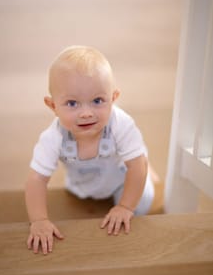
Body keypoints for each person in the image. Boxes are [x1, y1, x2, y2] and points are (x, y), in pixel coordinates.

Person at [25, 45, 154, 255]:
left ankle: (142, 161)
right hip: (82, 184)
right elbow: (36, 180)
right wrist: (39, 220)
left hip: (122, 178)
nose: (86, 113)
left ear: (113, 98)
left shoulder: (120, 124)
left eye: (97, 101)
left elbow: (137, 166)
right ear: (52, 106)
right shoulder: (53, 137)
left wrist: (125, 207)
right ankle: (132, 156)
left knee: (143, 200)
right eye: (72, 103)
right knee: (82, 197)